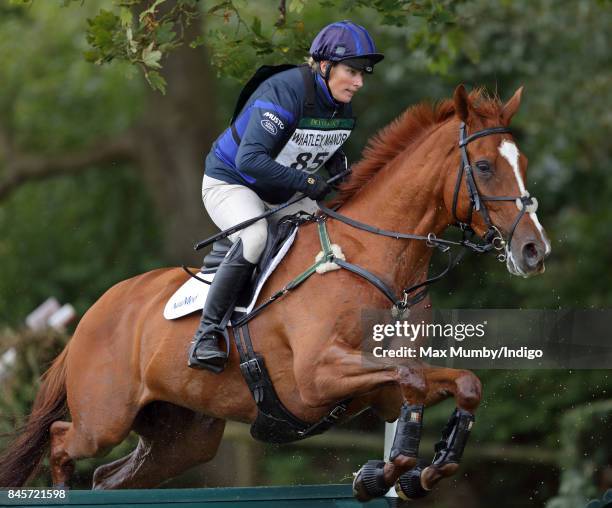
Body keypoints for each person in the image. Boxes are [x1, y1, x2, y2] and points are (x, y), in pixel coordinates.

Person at [188, 20, 384, 372]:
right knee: (255, 236)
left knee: (326, 239)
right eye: (352, 72)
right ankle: (205, 334)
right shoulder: (284, 92)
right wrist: (309, 184)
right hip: (231, 182)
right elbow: (250, 160)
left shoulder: (341, 108)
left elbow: (332, 162)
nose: (359, 82)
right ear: (324, 66)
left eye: (362, 74)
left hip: (281, 193)